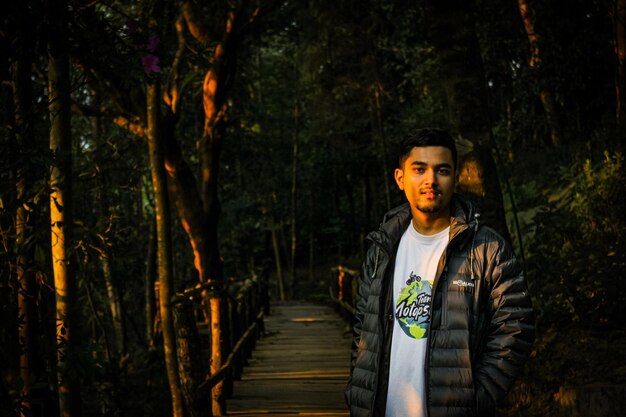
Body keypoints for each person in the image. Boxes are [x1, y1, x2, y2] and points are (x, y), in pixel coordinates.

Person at [345, 128, 534, 417]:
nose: (431, 180)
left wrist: (477, 398)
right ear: (400, 178)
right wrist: (359, 390)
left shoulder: (488, 249)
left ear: (455, 177)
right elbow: (362, 327)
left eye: (442, 170)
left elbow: (515, 328)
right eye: (419, 169)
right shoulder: (381, 248)